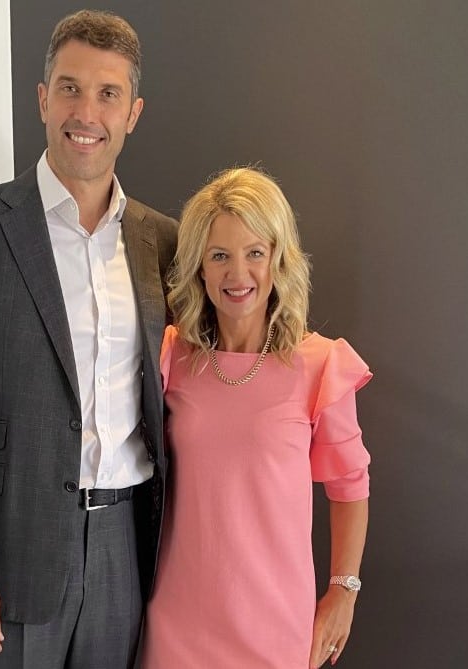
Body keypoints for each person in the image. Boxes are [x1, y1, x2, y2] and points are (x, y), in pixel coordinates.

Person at [0, 10, 177, 669]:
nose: (85, 110)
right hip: (10, 554)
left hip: (128, 545)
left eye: (107, 93)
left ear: (132, 112)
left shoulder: (164, 242)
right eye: (69, 87)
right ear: (41, 98)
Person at [140, 167, 371, 669]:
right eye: (219, 255)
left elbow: (351, 487)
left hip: (275, 628)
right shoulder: (171, 356)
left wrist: (343, 593)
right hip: (176, 624)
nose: (237, 273)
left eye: (254, 253)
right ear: (200, 267)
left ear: (278, 259)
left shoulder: (320, 365)